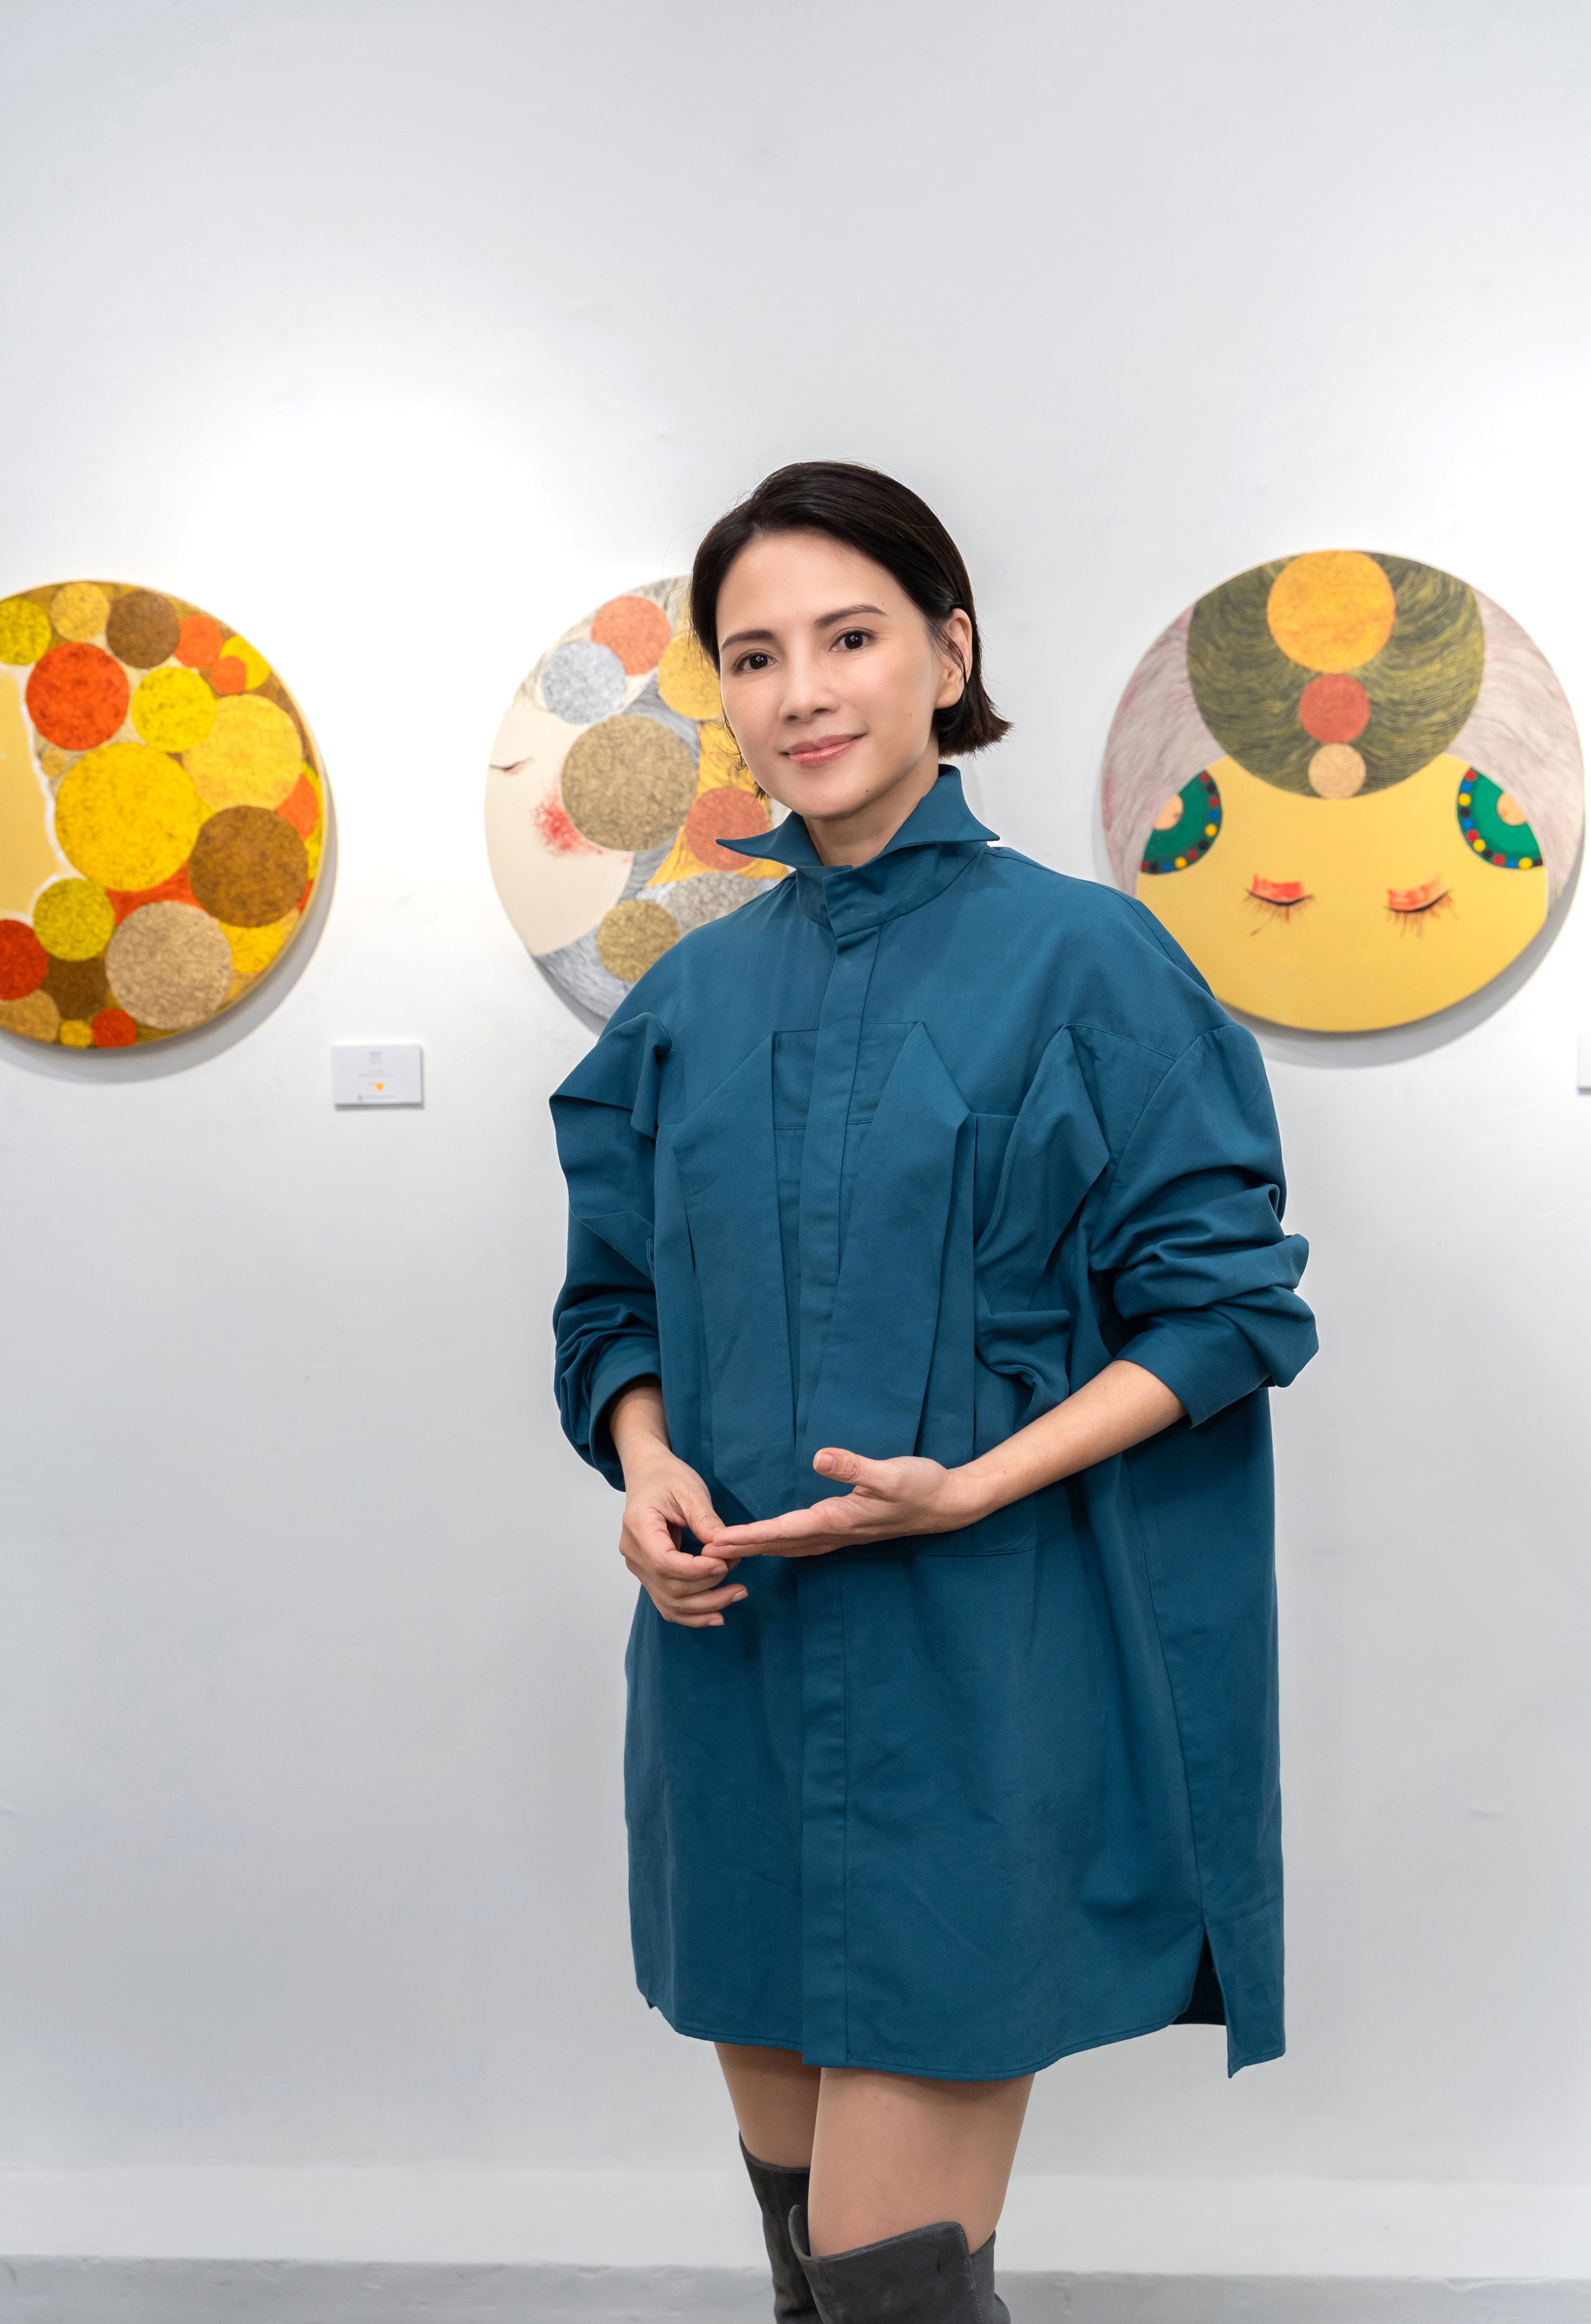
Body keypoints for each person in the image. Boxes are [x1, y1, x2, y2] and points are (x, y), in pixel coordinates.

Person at [551, 463, 1317, 2324]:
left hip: (984, 1683)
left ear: (946, 652)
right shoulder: (691, 999)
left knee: (894, 2282)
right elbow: (612, 1307)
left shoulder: (1091, 956)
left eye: (849, 636)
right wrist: (643, 1469)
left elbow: (1225, 1310)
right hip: (734, 1674)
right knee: (807, 2271)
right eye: (753, 654)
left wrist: (975, 1489)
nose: (801, 689)